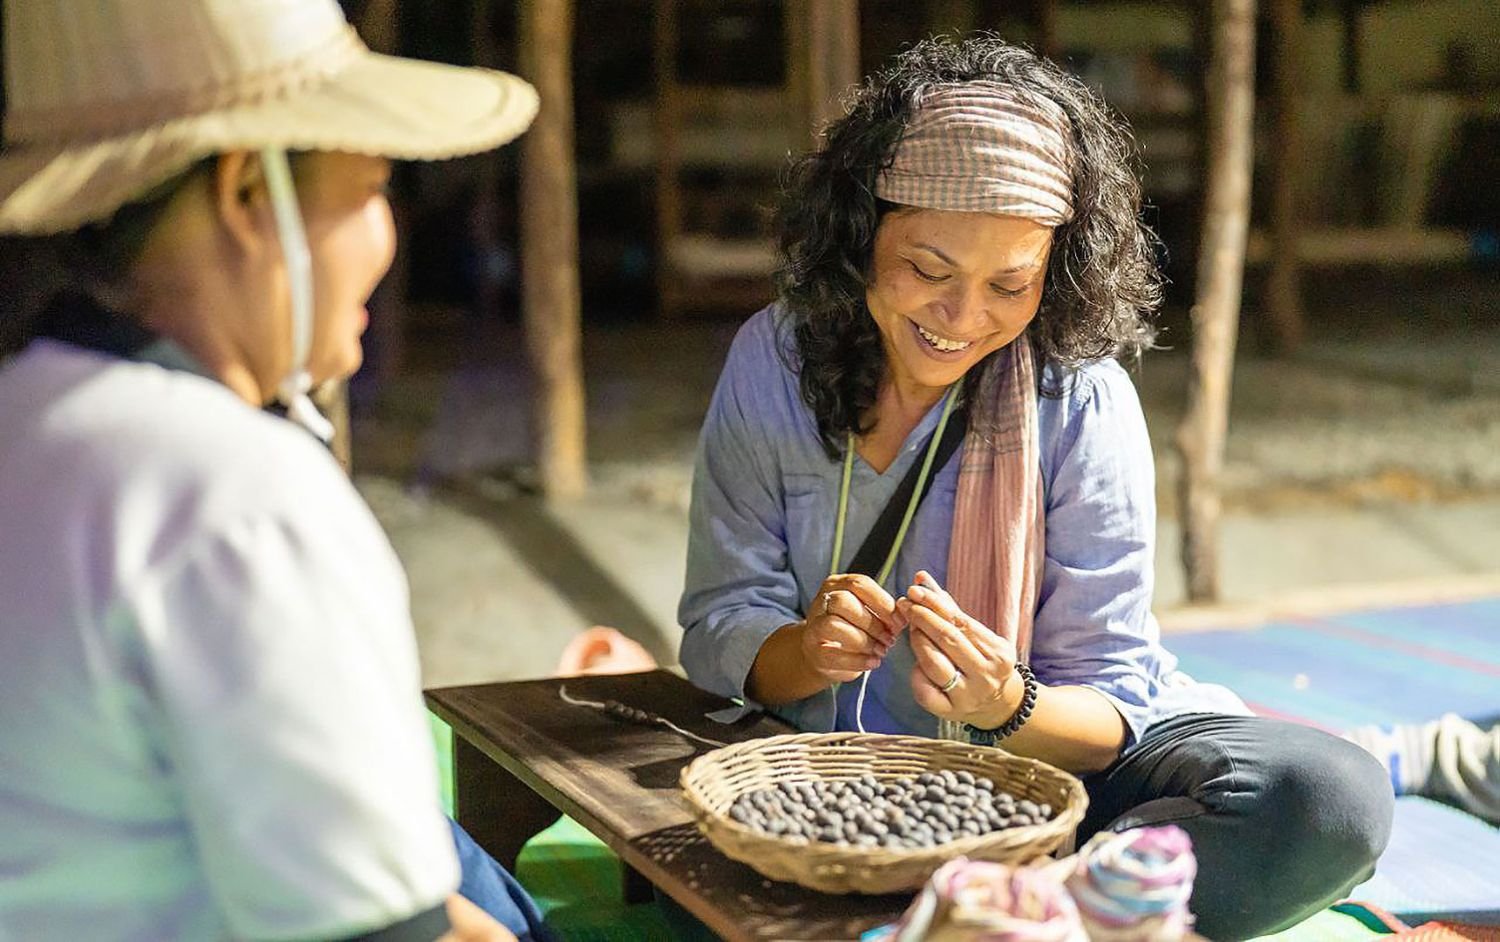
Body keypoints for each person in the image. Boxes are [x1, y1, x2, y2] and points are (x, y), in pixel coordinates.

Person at [678, 36, 1393, 941]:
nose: (962, 317)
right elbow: (720, 625)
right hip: (835, 780)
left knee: (1329, 800)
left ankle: (1001, 907)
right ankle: (1052, 910)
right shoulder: (773, 362)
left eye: (1009, 284)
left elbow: (1109, 704)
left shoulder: (1080, 399)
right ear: (859, 233)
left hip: (1060, 777)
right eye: (928, 270)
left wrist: (1005, 705)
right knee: (687, 871)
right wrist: (808, 652)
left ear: (1053, 275)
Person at [0, 1, 549, 939]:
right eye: (371, 189)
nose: (386, 236)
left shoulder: (28, 412)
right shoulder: (233, 494)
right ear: (249, 192)